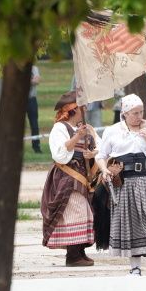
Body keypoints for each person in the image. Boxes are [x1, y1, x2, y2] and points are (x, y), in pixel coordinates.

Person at [96, 94, 146, 276]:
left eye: (141, 112)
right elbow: (101, 156)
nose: (139, 116)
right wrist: (104, 170)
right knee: (130, 225)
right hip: (124, 183)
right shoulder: (113, 131)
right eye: (134, 113)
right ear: (124, 113)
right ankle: (135, 267)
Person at [40, 91, 100, 266]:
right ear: (73, 110)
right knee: (76, 212)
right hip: (67, 177)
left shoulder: (85, 128)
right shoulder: (60, 128)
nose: (86, 109)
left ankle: (79, 251)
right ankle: (72, 256)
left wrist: (92, 153)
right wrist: (77, 137)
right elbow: (59, 154)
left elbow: (100, 146)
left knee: (86, 212)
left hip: (83, 176)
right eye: (82, 107)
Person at [26, 65, 41, 153]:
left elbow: (37, 80)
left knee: (34, 124)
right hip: (19, 100)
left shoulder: (34, 68)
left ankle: (36, 147)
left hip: (31, 99)